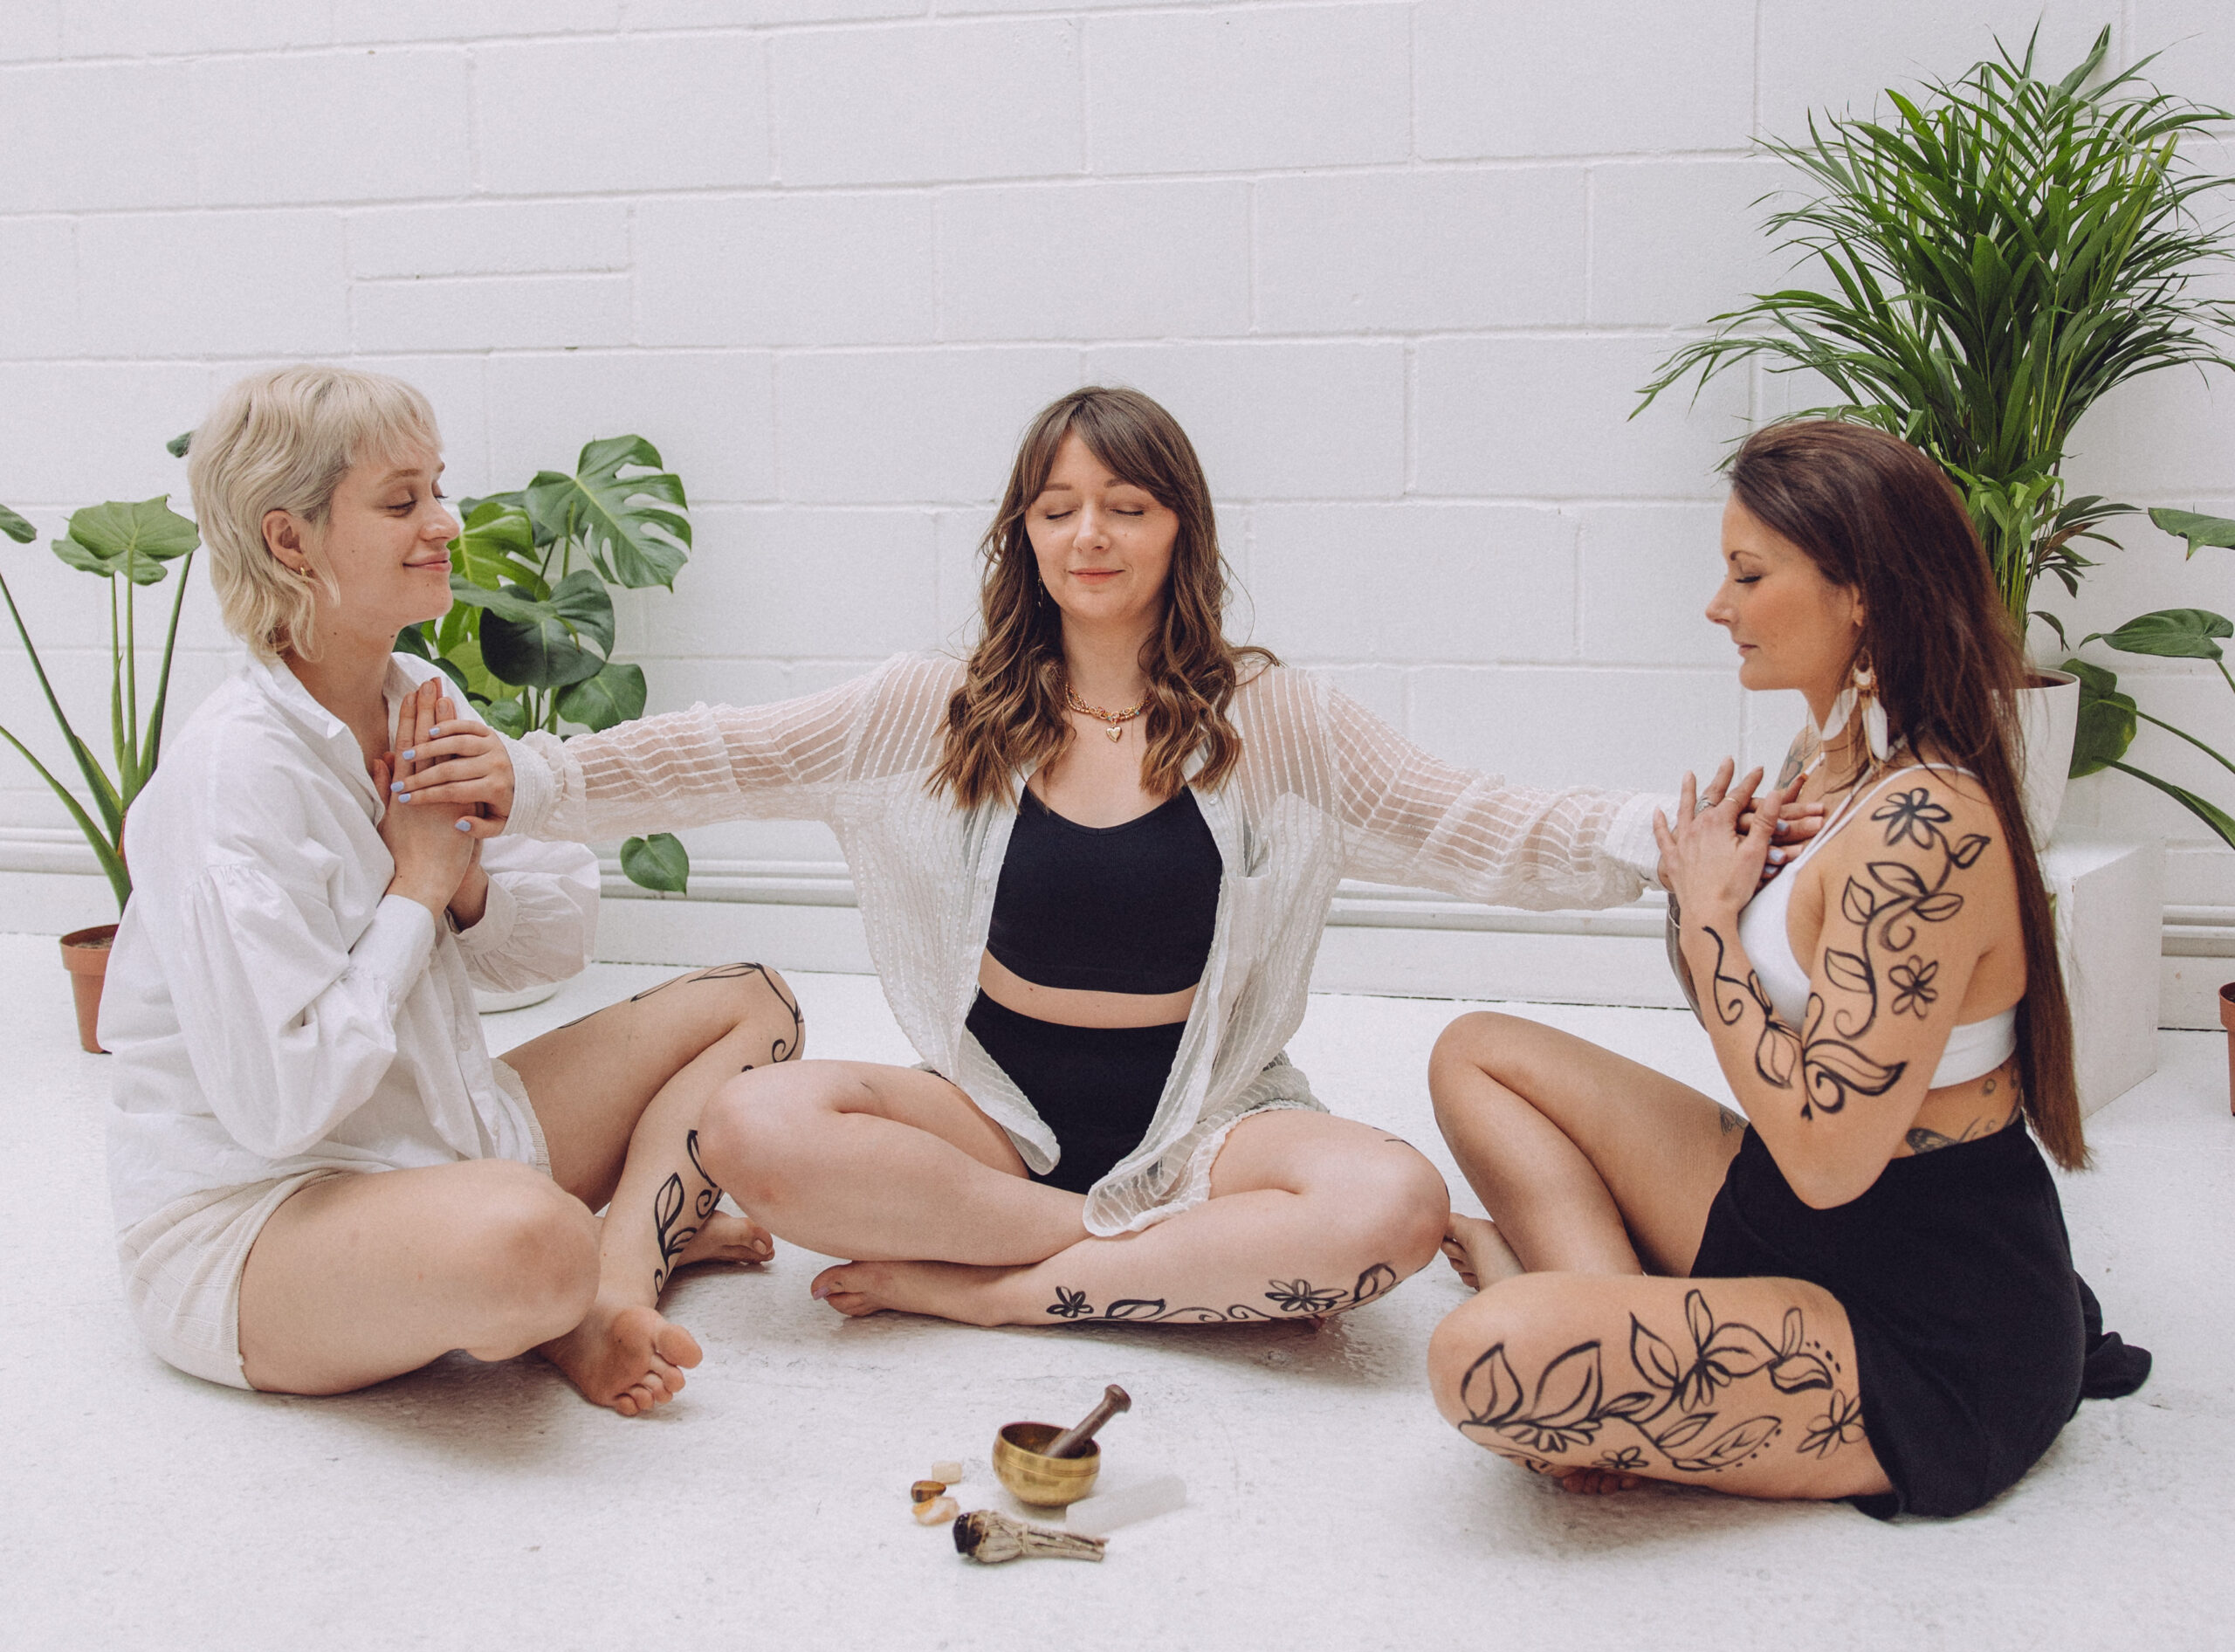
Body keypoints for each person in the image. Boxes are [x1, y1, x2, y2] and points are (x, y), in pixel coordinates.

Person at [398, 386, 1813, 1330]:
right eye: (1061, 505)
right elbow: (724, 754)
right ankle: (1105, 1245)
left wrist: (1662, 839)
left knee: (1384, 1204)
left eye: (1128, 505)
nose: (1093, 533)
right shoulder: (928, 705)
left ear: (1179, 529)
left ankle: (998, 1290)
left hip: (1208, 1125)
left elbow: (1481, 823)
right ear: (1022, 529)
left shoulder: (1281, 722)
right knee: (753, 1125)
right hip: (992, 1116)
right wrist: (530, 778)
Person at [1426, 420, 2148, 1518]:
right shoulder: (1835, 757)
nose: (1718, 606)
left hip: (1922, 1311)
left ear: (1859, 592)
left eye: (1748, 574)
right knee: (1475, 1051)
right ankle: (1615, 1317)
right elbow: (1763, 1032)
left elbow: (1826, 1161)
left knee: (1481, 1359)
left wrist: (1715, 921)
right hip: (1789, 1202)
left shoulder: (1921, 824)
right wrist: (1711, 884)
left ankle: (1582, 1317)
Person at [103, 365, 803, 1415]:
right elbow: (282, 1105)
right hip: (260, 1222)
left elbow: (550, 943)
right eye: (400, 501)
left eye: (438, 486)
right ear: (288, 538)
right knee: (529, 1236)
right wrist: (416, 889)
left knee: (755, 999)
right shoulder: (229, 780)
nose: (444, 521)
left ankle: (606, 1281)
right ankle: (573, 1267)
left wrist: (467, 882)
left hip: (445, 1135)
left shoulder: (416, 700)